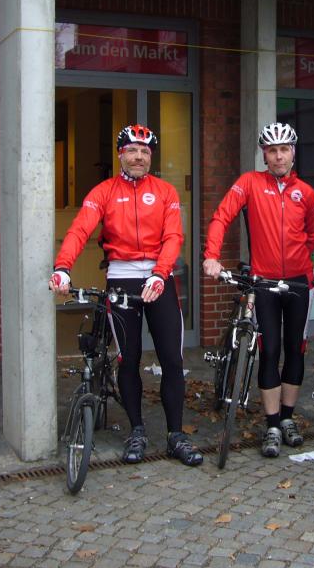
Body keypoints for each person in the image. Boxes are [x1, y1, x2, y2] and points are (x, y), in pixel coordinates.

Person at [49, 124, 203, 467]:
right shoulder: (104, 191)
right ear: (120, 154)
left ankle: (176, 434)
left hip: (159, 280)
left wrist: (161, 273)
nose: (138, 157)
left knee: (172, 360)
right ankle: (137, 430)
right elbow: (79, 229)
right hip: (121, 278)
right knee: (128, 359)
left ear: (151, 158)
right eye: (132, 150)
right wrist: (63, 267)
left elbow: (174, 236)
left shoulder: (165, 191)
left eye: (145, 152)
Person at [203, 122, 314, 458]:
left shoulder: (307, 193)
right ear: (264, 154)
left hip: (299, 281)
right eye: (272, 150)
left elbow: (311, 236)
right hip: (264, 281)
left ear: (293, 153)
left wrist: (299, 260)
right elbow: (221, 216)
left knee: (295, 349)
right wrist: (211, 256)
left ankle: (287, 419)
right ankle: (270, 424)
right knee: (270, 350)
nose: (279, 156)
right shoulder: (249, 183)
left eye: (284, 149)